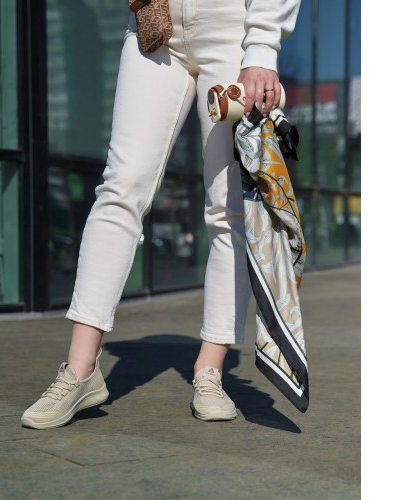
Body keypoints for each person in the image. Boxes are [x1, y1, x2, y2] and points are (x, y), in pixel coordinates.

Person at [21, 0, 301, 429]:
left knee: (227, 208)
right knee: (120, 187)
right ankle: (79, 371)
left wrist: (262, 49)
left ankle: (210, 370)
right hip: (154, 25)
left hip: (230, 26)